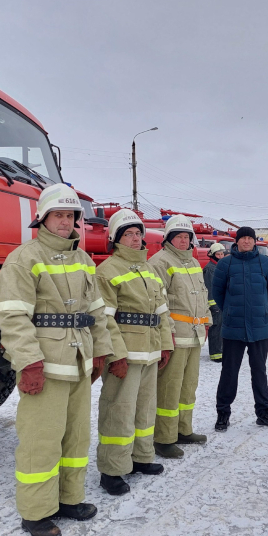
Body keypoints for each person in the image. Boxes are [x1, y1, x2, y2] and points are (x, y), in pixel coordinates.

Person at [0, 183, 114, 536]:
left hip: (78, 360)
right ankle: (36, 512)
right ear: (42, 219)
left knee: (76, 436)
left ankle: (68, 498)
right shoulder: (24, 258)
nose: (65, 222)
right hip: (44, 365)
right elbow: (14, 318)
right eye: (58, 215)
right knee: (41, 440)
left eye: (71, 216)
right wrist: (27, 362)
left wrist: (102, 350)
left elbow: (98, 312)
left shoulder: (83, 260)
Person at [94, 210, 174, 496]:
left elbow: (162, 312)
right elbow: (105, 319)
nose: (135, 238)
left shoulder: (149, 270)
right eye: (128, 233)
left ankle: (140, 458)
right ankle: (112, 469)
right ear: (116, 239)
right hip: (126, 357)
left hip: (151, 353)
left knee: (145, 409)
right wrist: (115, 356)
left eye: (138, 233)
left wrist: (166, 344)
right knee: (119, 411)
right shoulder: (107, 271)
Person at [149, 215, 211, 459]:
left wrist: (207, 323)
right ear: (169, 238)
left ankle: (183, 429)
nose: (184, 241)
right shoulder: (160, 262)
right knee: (169, 388)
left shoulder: (193, 262)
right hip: (175, 336)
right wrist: (167, 335)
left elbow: (202, 296)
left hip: (194, 336)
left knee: (188, 388)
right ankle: (164, 438)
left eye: (187, 237)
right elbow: (158, 302)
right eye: (179, 237)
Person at [211, 226, 268, 431]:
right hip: (233, 328)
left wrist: (261, 311)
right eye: (243, 238)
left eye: (250, 238)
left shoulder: (265, 263)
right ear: (237, 241)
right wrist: (231, 311)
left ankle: (264, 412)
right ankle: (223, 413)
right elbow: (218, 293)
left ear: (254, 241)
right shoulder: (225, 264)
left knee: (259, 371)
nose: (247, 242)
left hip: (259, 327)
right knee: (229, 372)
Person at [203, 242, 227, 361]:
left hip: (222, 303)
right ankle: (215, 354)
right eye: (218, 254)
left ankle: (221, 351)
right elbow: (209, 288)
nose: (221, 256)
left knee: (222, 328)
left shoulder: (220, 267)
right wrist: (214, 306)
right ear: (212, 255)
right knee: (215, 329)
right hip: (215, 305)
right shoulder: (210, 269)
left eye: (222, 254)